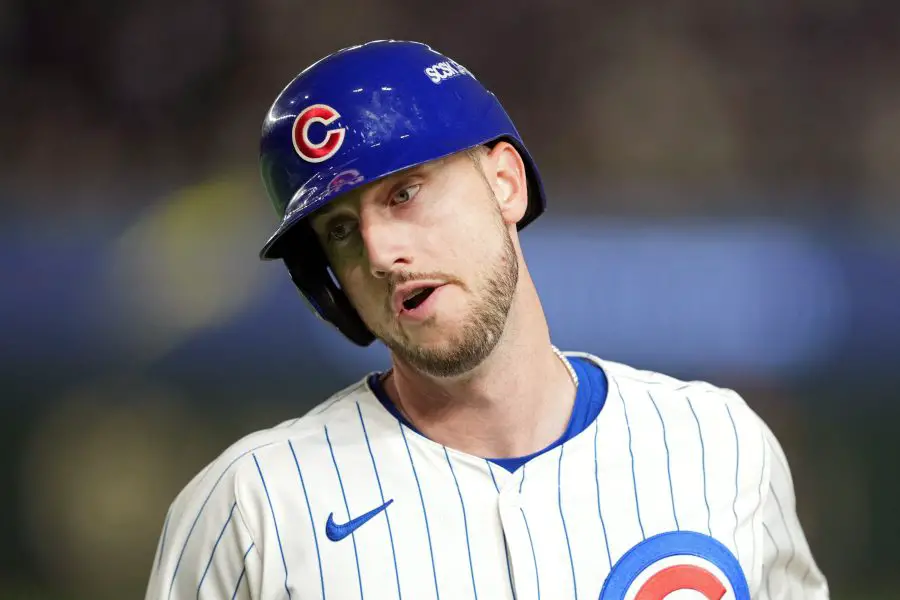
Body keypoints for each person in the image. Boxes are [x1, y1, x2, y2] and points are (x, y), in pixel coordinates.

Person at [145, 40, 829, 600]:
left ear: (505, 182)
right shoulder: (255, 507)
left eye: (404, 194)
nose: (380, 252)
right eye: (342, 231)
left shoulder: (718, 444)